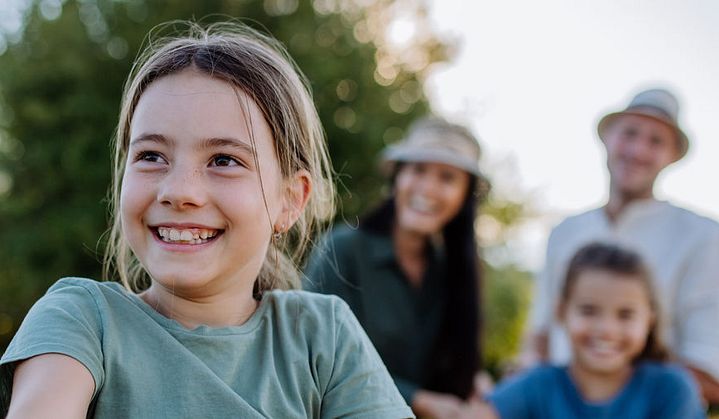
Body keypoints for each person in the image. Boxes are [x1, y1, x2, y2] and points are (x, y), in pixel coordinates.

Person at [0, 21, 413, 418]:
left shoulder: (324, 337)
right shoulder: (80, 320)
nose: (179, 191)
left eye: (224, 160)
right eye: (151, 156)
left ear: (290, 199)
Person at [523, 88, 719, 404]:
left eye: (656, 141)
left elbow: (714, 372)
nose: (639, 150)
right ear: (608, 138)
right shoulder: (565, 232)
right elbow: (540, 338)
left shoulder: (710, 240)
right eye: (630, 133)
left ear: (672, 155)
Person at [304, 117, 490, 418]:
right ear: (397, 178)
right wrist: (417, 399)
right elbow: (313, 354)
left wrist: (474, 382)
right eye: (418, 170)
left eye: (447, 177)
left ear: (464, 197)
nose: (428, 188)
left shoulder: (453, 272)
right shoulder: (343, 249)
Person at [461, 242, 705, 419]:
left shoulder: (672, 390)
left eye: (625, 315)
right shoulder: (536, 386)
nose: (607, 330)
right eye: (589, 311)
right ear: (561, 312)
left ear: (649, 320)